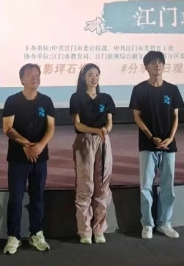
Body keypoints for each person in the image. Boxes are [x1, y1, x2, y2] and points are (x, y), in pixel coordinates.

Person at [129, 51, 184, 239]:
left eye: (160, 62)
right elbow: (137, 117)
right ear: (146, 67)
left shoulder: (172, 89)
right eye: (153, 62)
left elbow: (175, 116)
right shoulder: (139, 89)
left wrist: (170, 138)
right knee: (146, 186)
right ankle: (147, 224)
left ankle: (165, 222)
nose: (157, 65)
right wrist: (151, 137)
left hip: (169, 145)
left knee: (168, 187)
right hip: (148, 144)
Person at [2, 64, 55, 254]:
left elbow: (50, 128)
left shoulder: (46, 101)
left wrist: (39, 146)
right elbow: (7, 128)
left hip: (40, 157)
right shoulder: (12, 100)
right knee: (16, 198)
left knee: (37, 197)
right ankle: (13, 236)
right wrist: (26, 145)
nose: (35, 77)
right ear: (21, 79)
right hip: (18, 157)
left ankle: (36, 233)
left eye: (37, 74)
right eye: (30, 74)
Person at [69, 63, 115, 244]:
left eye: (96, 74)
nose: (94, 78)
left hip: (103, 141)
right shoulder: (76, 97)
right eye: (90, 74)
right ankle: (84, 230)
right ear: (83, 77)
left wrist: (105, 130)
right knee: (85, 185)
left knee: (102, 185)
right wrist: (96, 130)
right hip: (84, 141)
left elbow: (109, 122)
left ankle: (99, 229)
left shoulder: (106, 98)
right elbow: (77, 124)